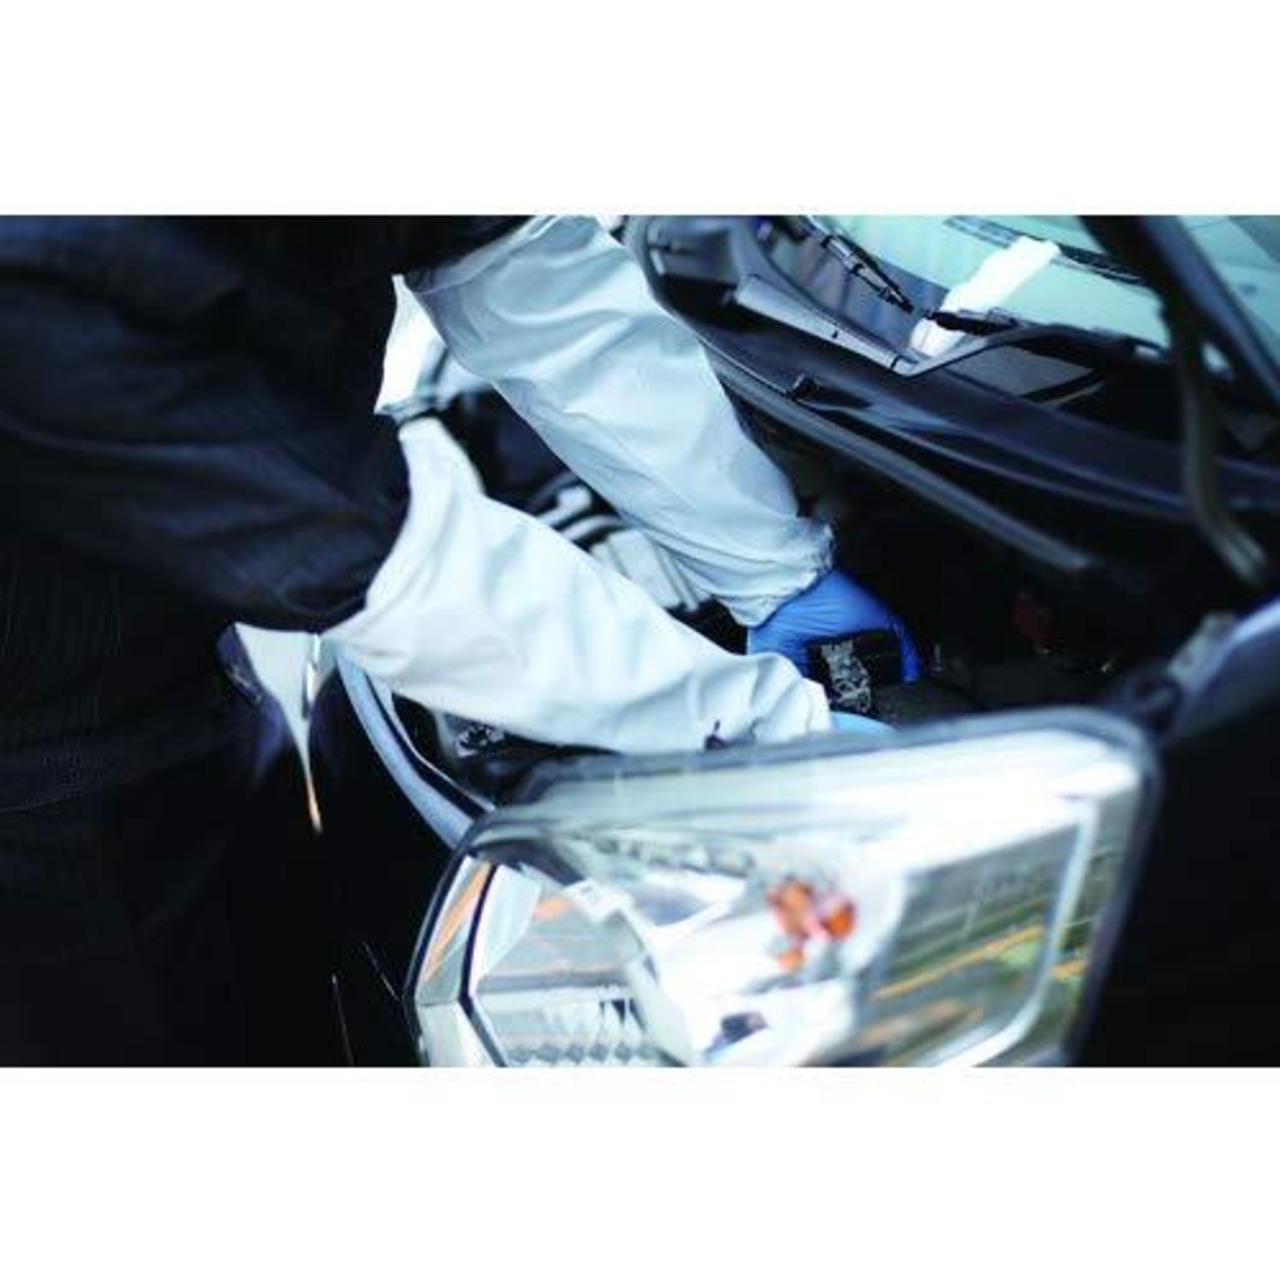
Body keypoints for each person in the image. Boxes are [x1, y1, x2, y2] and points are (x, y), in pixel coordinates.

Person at [0, 216, 916, 1064]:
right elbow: (378, 559)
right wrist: (775, 733)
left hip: (173, 660)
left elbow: (505, 253)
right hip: (43, 788)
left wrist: (773, 566)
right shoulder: (37, 269)